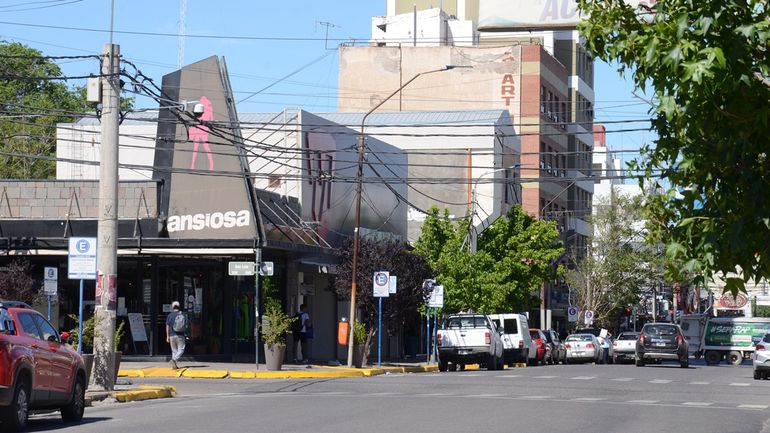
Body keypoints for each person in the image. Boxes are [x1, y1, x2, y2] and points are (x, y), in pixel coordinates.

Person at [166, 301, 186, 369]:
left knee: (174, 351)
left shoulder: (169, 315)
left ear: (173, 307)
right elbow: (186, 325)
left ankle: (174, 365)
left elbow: (167, 326)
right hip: (180, 335)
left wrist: (167, 336)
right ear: (179, 306)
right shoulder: (182, 314)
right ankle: (174, 360)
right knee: (181, 349)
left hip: (172, 335)